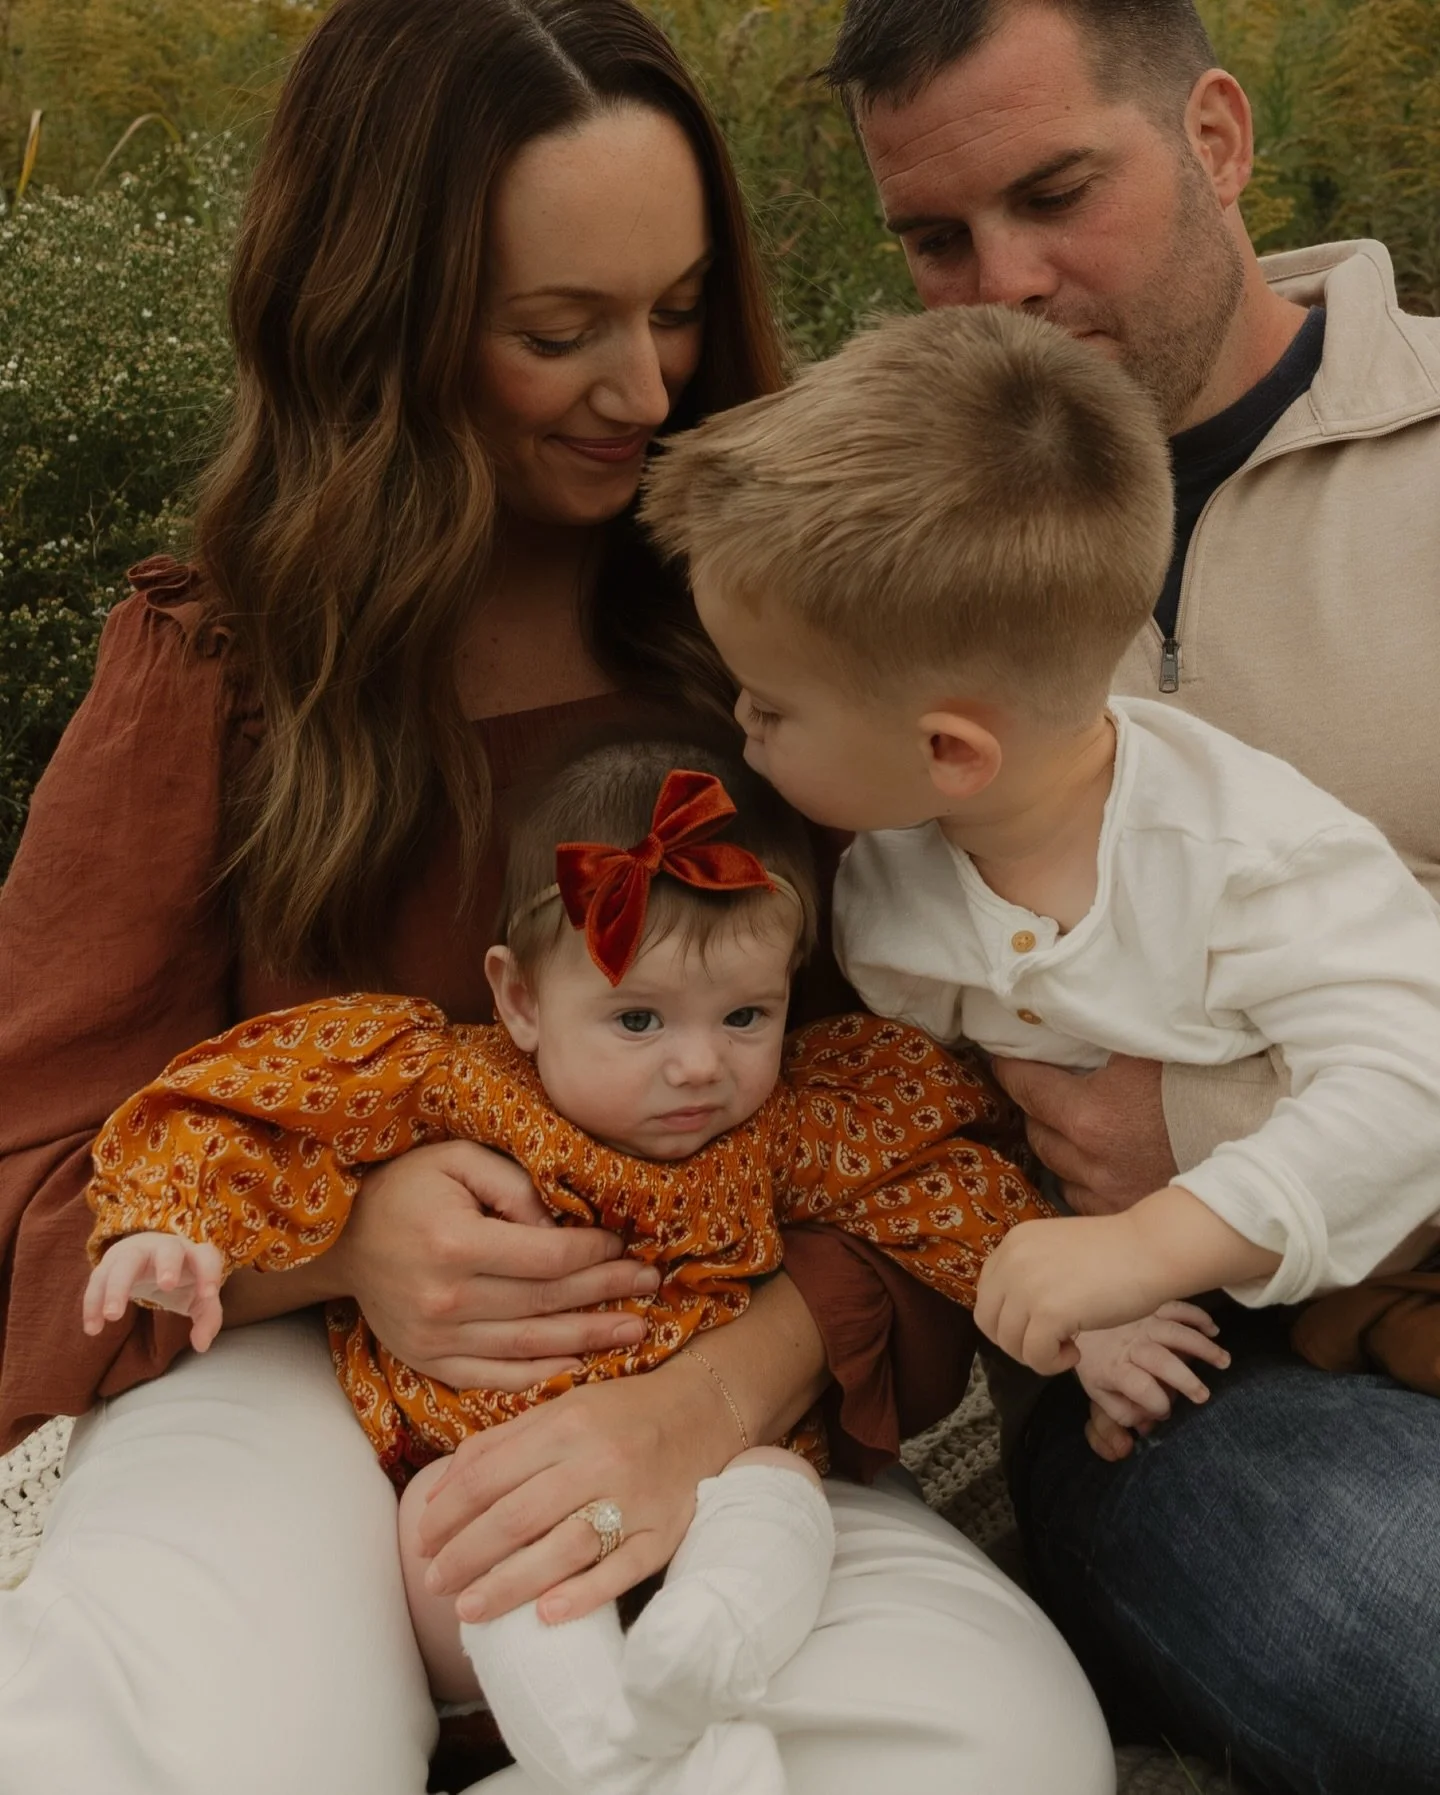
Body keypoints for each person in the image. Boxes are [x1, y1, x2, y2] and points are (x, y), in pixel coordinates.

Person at [0, 3, 1116, 1792]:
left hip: (709, 1374)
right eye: (558, 330)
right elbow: (29, 1188)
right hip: (299, 1387)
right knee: (181, 1746)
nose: (648, 390)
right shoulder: (222, 671)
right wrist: (340, 1247)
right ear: (384, 322)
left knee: (988, 1745)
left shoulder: (780, 641)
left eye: (677, 308)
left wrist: (719, 1391)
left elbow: (923, 1136)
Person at [820, 1, 1440, 1789]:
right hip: (1189, 1385)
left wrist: (1202, 1123)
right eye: (935, 239)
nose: (1002, 280)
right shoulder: (889, 548)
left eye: (1054, 193)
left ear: (1219, 141)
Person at [82, 735, 1101, 1794]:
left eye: (746, 1014)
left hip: (699, 1481)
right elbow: (256, 1105)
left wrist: (1093, 1301)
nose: (700, 1063)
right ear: (519, 999)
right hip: (474, 1508)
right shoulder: (459, 1083)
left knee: (779, 1486)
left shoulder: (785, 1124)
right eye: (638, 1017)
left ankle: (707, 1655)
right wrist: (170, 1226)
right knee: (477, 1535)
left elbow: (932, 1189)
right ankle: (617, 1761)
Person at [641, 298, 1440, 1404]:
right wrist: (1104, 1314)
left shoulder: (1242, 854)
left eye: (772, 704)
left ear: (951, 752)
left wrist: (1150, 1248)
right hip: (1170, 1327)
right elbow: (942, 1135)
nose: (740, 722)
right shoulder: (885, 889)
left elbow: (1414, 1082)